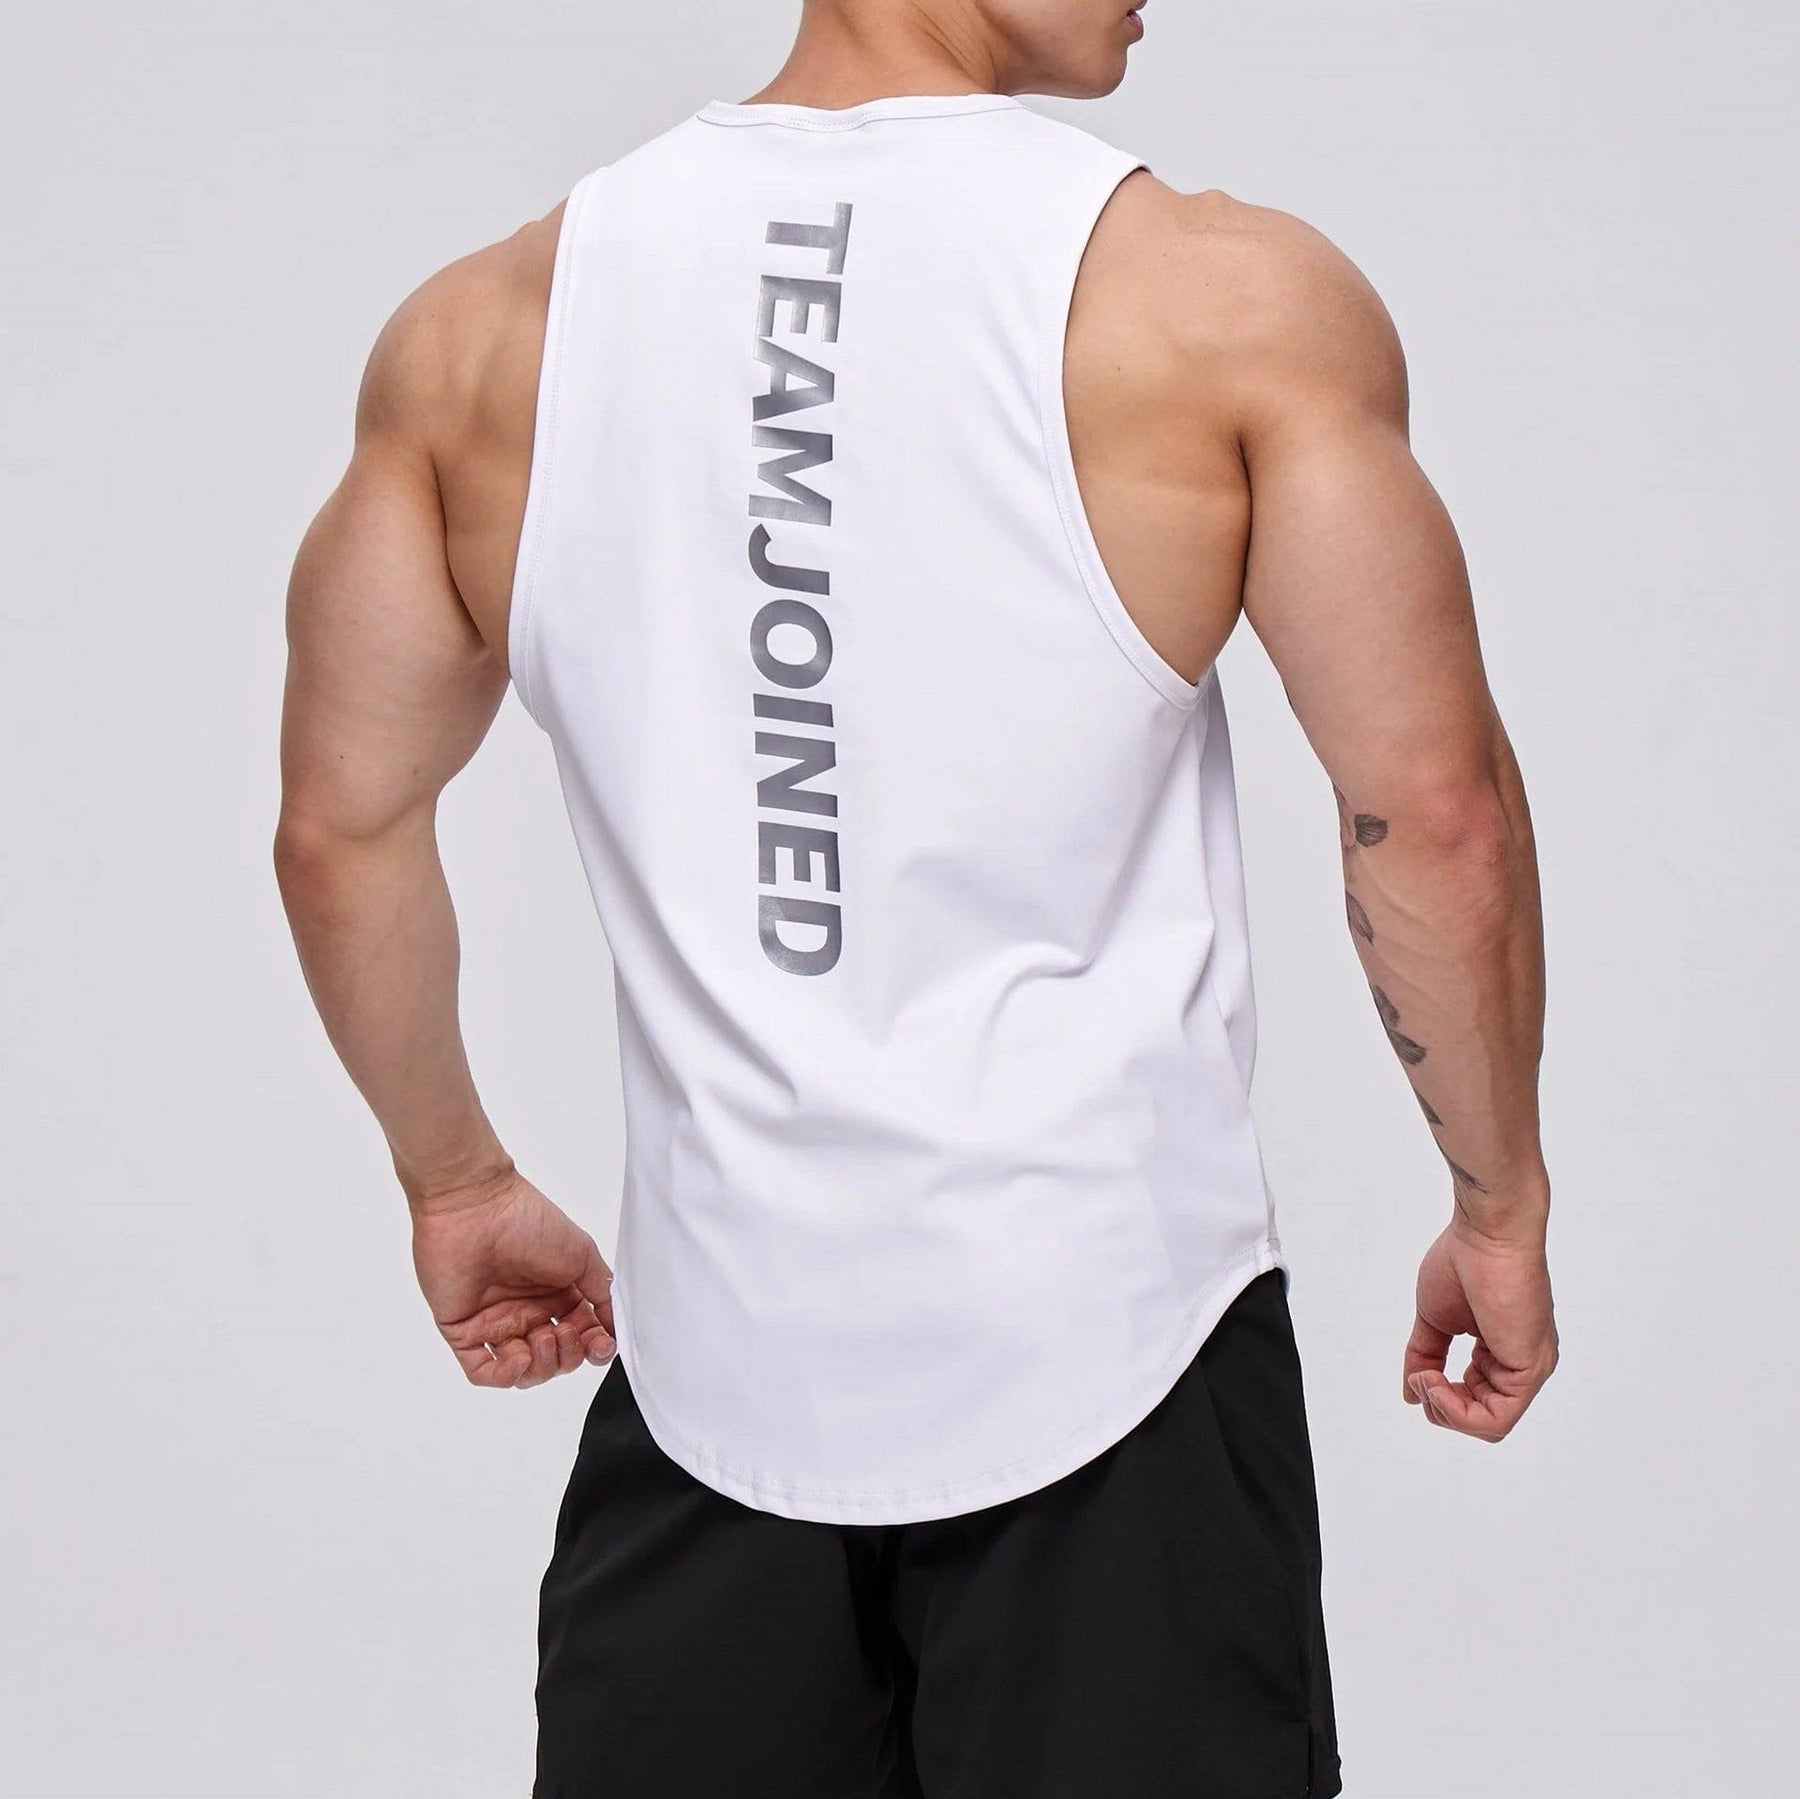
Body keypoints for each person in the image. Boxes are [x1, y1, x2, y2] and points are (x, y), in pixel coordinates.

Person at [275, 0, 1558, 1792]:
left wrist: (456, 1181)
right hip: (1119, 1367)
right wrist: (1498, 1201)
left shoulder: (483, 338)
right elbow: (1431, 813)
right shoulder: (1224, 302)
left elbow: (338, 827)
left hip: (714, 1389)